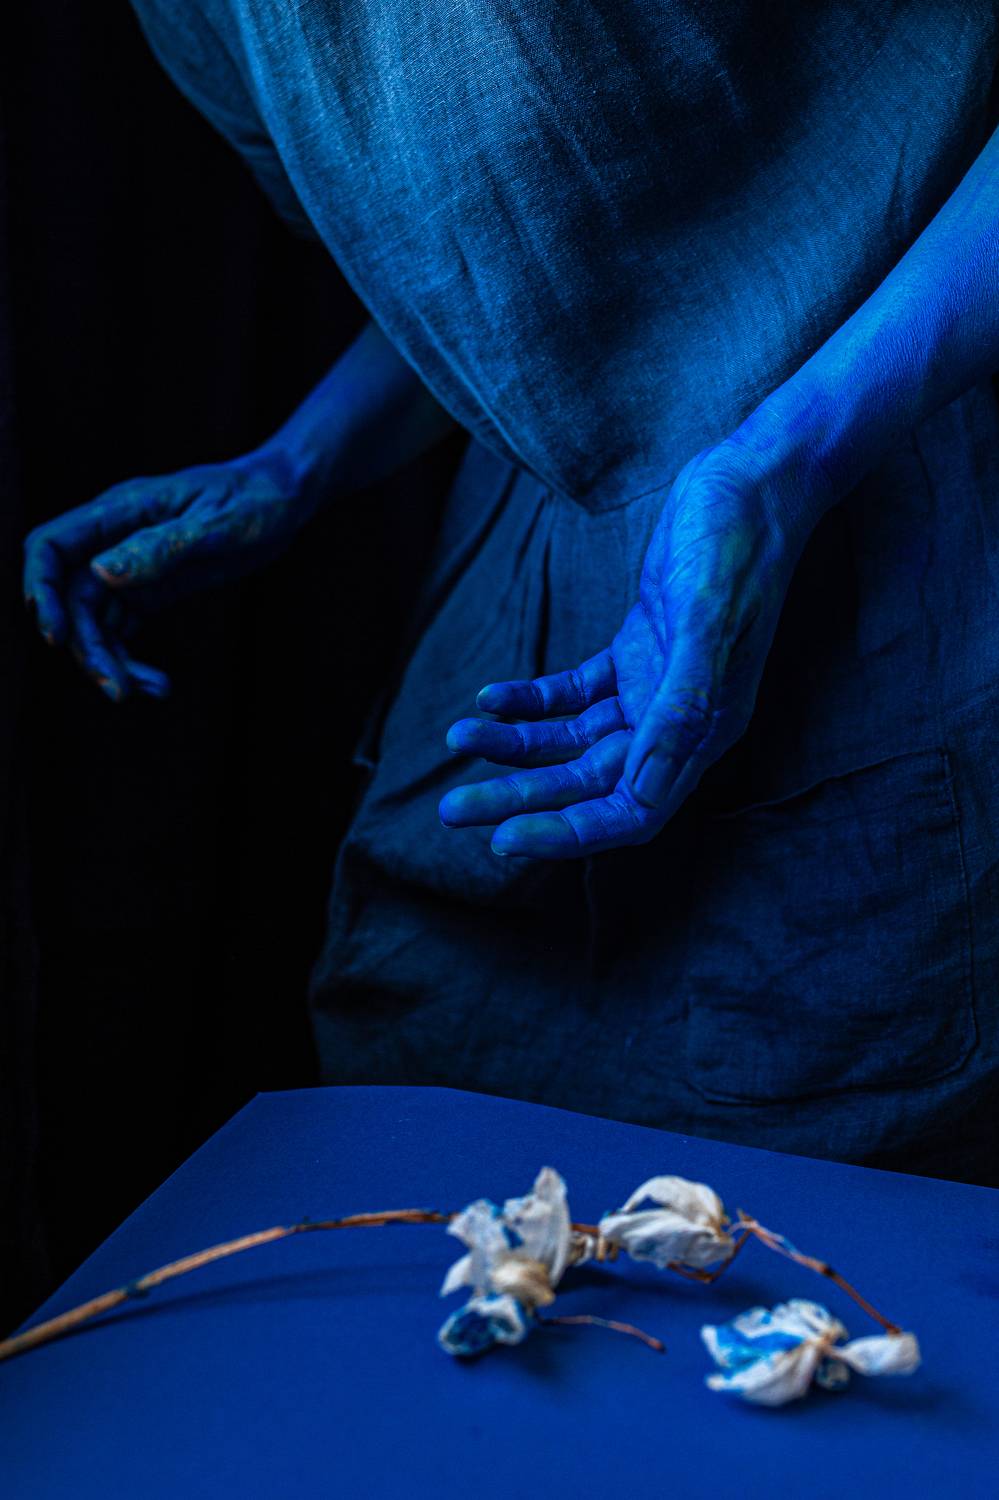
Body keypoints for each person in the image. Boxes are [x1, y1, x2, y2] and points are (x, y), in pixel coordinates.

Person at [23, 3, 999, 1181]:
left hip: (903, 501)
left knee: (817, 1184)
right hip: (539, 601)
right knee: (438, 1146)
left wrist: (779, 466)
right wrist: (298, 464)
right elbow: (527, 276)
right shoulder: (191, 18)